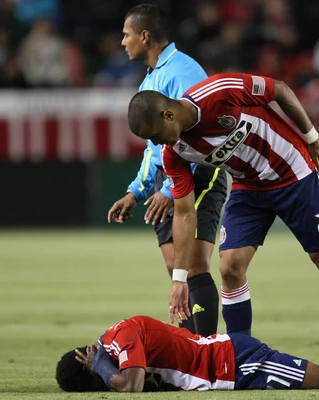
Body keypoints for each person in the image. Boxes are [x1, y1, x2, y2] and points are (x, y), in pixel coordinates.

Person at [126, 72, 319, 354]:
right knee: (229, 268)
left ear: (168, 116)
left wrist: (311, 137)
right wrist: (179, 279)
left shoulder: (218, 91)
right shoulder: (174, 153)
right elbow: (184, 214)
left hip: (293, 172)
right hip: (248, 188)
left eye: (153, 135)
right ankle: (241, 358)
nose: (155, 144)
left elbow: (281, 89)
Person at [107, 4, 227, 337]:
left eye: (126, 34)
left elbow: (198, 135)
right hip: (169, 176)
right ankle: (191, 352)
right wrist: (137, 190)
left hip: (199, 172)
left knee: (196, 265)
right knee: (177, 268)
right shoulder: (152, 77)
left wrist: (168, 190)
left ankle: (206, 350)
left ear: (144, 36)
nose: (122, 42)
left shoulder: (182, 72)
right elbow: (155, 147)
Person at [55, 315, 319, 392]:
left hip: (234, 362)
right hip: (229, 363)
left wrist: (101, 367)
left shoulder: (119, 341)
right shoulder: (120, 342)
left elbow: (131, 386)